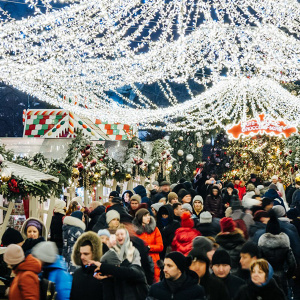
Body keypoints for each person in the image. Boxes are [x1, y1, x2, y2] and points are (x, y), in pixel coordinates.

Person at [94, 226, 148, 300]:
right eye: (117, 234)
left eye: (122, 234)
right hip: (118, 287)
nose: (119, 236)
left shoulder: (134, 250)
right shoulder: (111, 252)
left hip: (134, 286)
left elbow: (136, 270)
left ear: (126, 235)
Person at [258, 213, 296, 295]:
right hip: (281, 276)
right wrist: (287, 275)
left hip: (266, 277)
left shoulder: (262, 242)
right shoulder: (285, 242)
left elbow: (258, 261)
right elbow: (292, 264)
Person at [70, 231, 105, 300]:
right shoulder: (76, 274)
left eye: (86, 254)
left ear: (94, 253)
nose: (82, 257)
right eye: (81, 254)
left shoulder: (102, 275)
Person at [133, 208, 164, 282]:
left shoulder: (155, 229)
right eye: (145, 216)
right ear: (140, 218)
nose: (148, 217)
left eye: (149, 215)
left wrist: (149, 247)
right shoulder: (134, 232)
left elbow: (160, 246)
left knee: (155, 282)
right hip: (140, 260)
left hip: (154, 261)